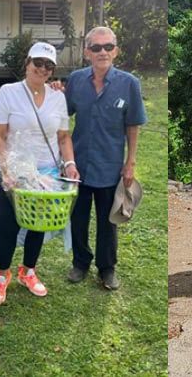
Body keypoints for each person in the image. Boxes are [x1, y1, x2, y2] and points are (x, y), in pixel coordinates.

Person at [0, 42, 80, 306]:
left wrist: (70, 163)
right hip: (14, 171)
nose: (42, 69)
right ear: (27, 63)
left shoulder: (57, 97)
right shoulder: (8, 92)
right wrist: (6, 170)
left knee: (39, 223)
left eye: (48, 66)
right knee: (9, 224)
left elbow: (63, 137)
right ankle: (2, 275)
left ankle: (28, 270)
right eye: (37, 63)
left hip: (46, 173)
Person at [63, 26, 147, 290]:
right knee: (77, 217)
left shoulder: (129, 84)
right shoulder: (75, 80)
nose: (103, 52)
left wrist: (130, 162)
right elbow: (62, 113)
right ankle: (80, 262)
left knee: (108, 220)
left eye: (108, 47)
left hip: (110, 166)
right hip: (78, 164)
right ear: (87, 52)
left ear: (116, 51)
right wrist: (54, 89)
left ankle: (107, 268)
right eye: (96, 47)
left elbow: (133, 125)